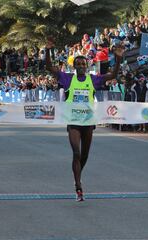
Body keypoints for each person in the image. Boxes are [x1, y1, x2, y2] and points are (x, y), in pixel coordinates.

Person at [46, 39, 124, 201]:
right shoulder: (67, 79)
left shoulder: (93, 80)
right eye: (78, 64)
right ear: (74, 66)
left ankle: (78, 175)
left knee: (85, 155)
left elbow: (113, 75)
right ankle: (78, 185)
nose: (81, 66)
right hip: (73, 121)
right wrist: (47, 51)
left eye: (84, 64)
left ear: (87, 66)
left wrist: (118, 59)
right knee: (76, 152)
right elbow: (49, 68)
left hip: (88, 122)